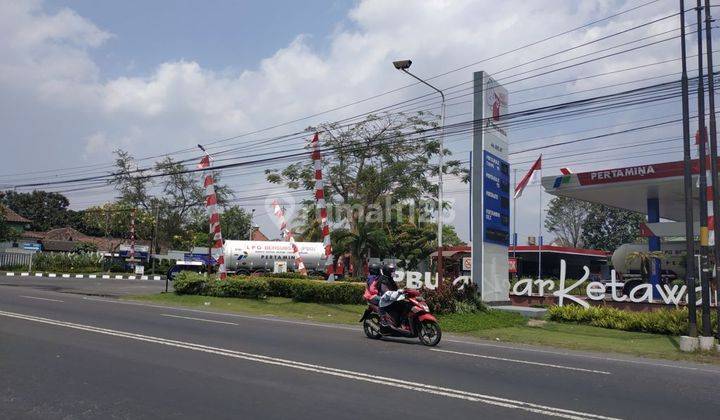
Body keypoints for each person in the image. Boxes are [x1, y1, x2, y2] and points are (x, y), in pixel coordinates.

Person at [377, 263, 402, 327]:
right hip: (385, 299)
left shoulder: (390, 279)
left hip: (392, 297)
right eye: (392, 271)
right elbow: (385, 292)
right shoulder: (383, 279)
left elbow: (396, 288)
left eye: (393, 270)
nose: (393, 272)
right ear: (387, 271)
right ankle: (384, 320)